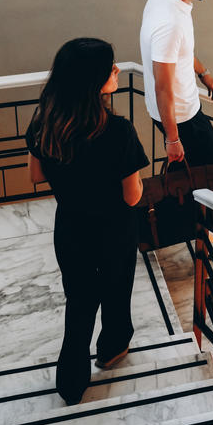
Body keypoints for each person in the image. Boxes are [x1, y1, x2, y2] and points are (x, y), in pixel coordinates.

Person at [25, 38, 149, 405]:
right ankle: (112, 350)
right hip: (114, 232)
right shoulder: (119, 131)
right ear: (93, 81)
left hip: (71, 229)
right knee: (116, 292)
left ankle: (71, 381)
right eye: (111, 67)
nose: (117, 70)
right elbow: (132, 197)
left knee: (79, 300)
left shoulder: (45, 122)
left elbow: (35, 175)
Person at [139, 0, 213, 199]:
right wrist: (172, 139)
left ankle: (192, 223)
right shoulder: (170, 24)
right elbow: (163, 86)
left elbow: (180, 53)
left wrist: (204, 73)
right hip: (182, 118)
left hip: (177, 113)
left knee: (189, 179)